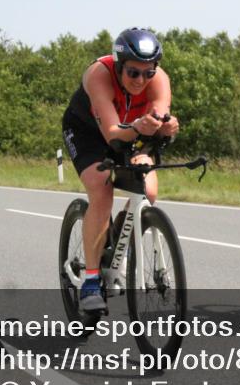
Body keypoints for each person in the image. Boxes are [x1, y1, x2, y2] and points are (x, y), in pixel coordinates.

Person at [62, 28, 179, 311]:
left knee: (148, 190)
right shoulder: (98, 76)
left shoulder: (159, 80)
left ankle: (115, 238)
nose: (141, 80)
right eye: (133, 73)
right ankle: (91, 280)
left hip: (133, 133)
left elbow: (159, 117)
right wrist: (138, 127)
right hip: (88, 132)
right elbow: (113, 133)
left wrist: (167, 127)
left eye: (148, 72)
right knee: (102, 189)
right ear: (118, 64)